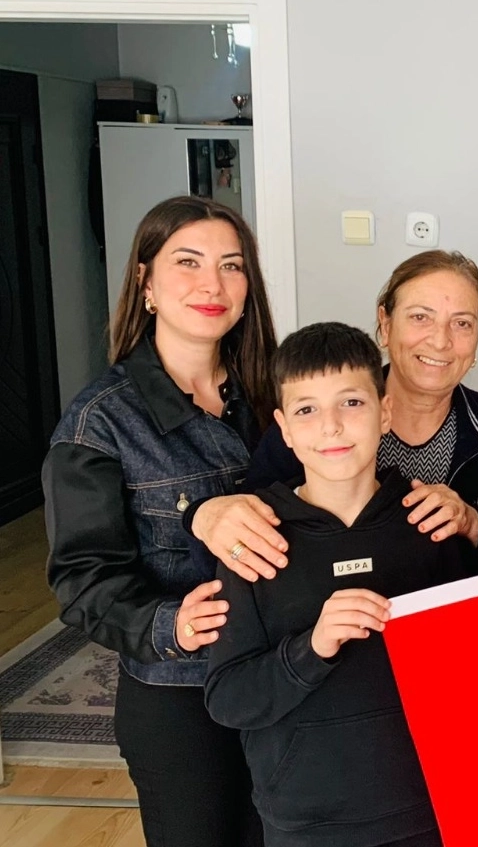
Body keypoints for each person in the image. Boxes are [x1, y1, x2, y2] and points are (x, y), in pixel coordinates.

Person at [43, 195, 278, 846]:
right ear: (145, 282)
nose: (213, 284)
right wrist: (169, 624)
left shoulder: (279, 397)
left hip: (283, 678)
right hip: (181, 699)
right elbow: (82, 580)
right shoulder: (99, 423)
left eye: (231, 265)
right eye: (188, 262)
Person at [205, 322, 465, 847]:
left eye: (351, 402)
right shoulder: (256, 539)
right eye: (306, 409)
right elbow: (228, 699)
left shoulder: (430, 525)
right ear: (283, 429)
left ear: (385, 412)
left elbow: (477, 675)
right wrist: (313, 648)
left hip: (428, 809)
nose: (331, 426)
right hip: (305, 821)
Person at [188, 250, 478, 581]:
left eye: (462, 323)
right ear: (385, 324)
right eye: (420, 317)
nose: (440, 341)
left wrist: (475, 526)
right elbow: (241, 533)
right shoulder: (309, 423)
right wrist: (202, 516)